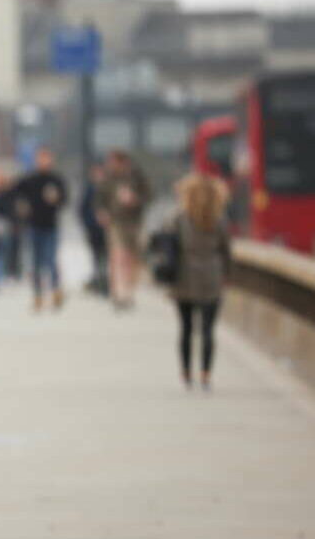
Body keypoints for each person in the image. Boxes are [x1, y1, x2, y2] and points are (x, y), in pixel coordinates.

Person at [168, 172, 233, 391]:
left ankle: (186, 374)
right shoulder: (219, 219)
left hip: (184, 277)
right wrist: (228, 275)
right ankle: (206, 374)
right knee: (207, 329)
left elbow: (169, 248)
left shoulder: (179, 218)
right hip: (211, 277)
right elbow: (226, 252)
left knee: (185, 329)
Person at [10, 147, 69, 312]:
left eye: (47, 158)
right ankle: (37, 295)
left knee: (50, 260)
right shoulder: (30, 180)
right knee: (35, 263)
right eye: (41, 158)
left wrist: (57, 199)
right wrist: (20, 207)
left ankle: (56, 290)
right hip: (33, 226)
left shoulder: (56, 180)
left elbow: (65, 200)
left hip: (51, 226)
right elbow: (13, 194)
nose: (44, 161)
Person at [98, 150, 152, 310]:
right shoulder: (107, 178)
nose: (110, 165)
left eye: (113, 162)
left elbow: (149, 196)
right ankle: (117, 292)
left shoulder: (137, 177)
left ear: (123, 162)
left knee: (132, 257)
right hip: (115, 222)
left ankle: (129, 291)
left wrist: (135, 199)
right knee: (117, 256)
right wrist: (102, 212)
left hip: (134, 222)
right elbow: (99, 199)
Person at [79, 161, 109, 296]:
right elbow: (82, 210)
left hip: (109, 230)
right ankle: (99, 282)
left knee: (106, 258)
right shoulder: (89, 190)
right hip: (94, 231)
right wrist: (89, 224)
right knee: (97, 257)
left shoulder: (109, 188)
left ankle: (105, 283)